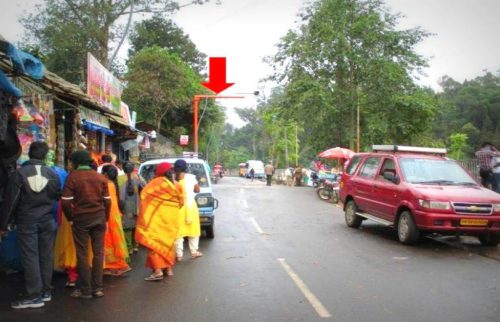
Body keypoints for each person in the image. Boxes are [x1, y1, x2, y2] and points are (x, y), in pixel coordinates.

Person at [0, 142, 61, 309]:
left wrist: (3, 225)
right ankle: (46, 291)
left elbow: (10, 202)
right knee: (46, 255)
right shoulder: (53, 174)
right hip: (47, 221)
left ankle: (34, 296)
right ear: (45, 155)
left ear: (29, 153)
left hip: (27, 221)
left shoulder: (19, 175)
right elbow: (57, 196)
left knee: (30, 257)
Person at [61, 150, 111, 299]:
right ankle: (98, 288)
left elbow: (65, 201)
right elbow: (107, 200)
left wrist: (70, 218)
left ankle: (86, 290)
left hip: (81, 220)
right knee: (98, 253)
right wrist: (106, 217)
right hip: (99, 218)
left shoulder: (72, 177)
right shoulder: (100, 177)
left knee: (82, 254)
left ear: (76, 163)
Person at [135, 162, 183, 281]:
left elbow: (144, 196)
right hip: (171, 220)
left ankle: (157, 271)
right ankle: (169, 269)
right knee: (169, 244)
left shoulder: (154, 183)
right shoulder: (177, 185)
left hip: (156, 220)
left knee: (154, 244)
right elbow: (181, 202)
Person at [101, 165, 131, 276]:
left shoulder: (105, 184)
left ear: (105, 174)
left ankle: (113, 265)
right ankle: (118, 264)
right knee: (115, 240)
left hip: (108, 215)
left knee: (108, 240)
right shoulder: (112, 184)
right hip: (115, 214)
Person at [174, 159, 203, 261]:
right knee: (193, 230)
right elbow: (197, 190)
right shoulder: (191, 177)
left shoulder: (172, 179)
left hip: (177, 207)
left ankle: (179, 255)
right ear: (185, 168)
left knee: (178, 232)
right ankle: (194, 252)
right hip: (190, 206)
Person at [118, 162, 143, 255]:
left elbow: (120, 196)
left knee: (127, 228)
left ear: (123, 169)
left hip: (125, 206)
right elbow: (144, 188)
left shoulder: (119, 178)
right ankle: (136, 245)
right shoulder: (138, 178)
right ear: (133, 169)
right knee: (136, 226)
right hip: (137, 205)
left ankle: (129, 248)